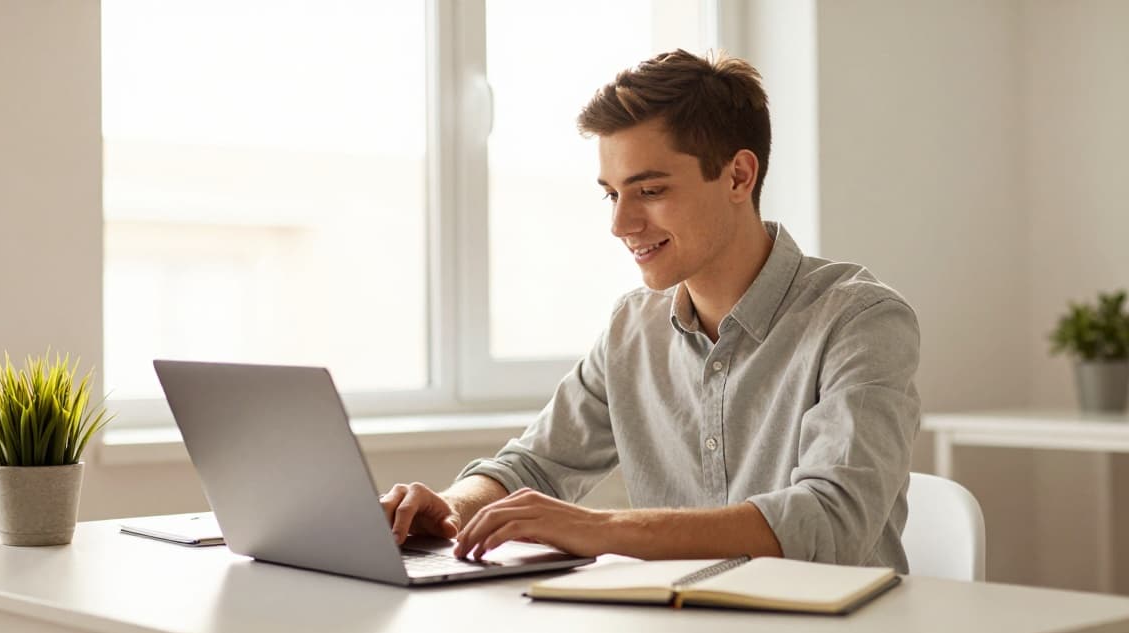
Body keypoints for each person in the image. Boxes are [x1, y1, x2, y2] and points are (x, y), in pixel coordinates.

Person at [380, 49, 920, 571]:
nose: (621, 224)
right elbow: (535, 466)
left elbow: (831, 521)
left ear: (738, 176)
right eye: (611, 194)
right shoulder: (631, 329)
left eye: (651, 190)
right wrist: (452, 508)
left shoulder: (860, 320)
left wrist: (601, 530)